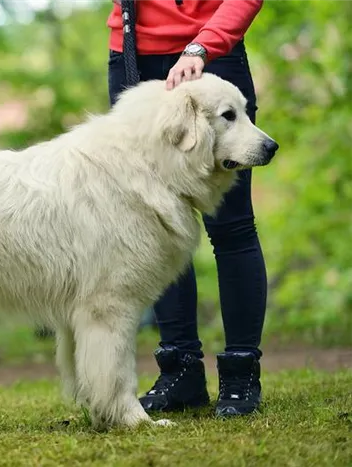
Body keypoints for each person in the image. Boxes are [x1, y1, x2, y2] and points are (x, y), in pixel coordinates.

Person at [106, 0, 268, 417]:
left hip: (213, 57)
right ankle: (180, 372)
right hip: (134, 59)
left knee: (232, 227)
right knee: (153, 229)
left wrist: (202, 47)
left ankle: (241, 375)